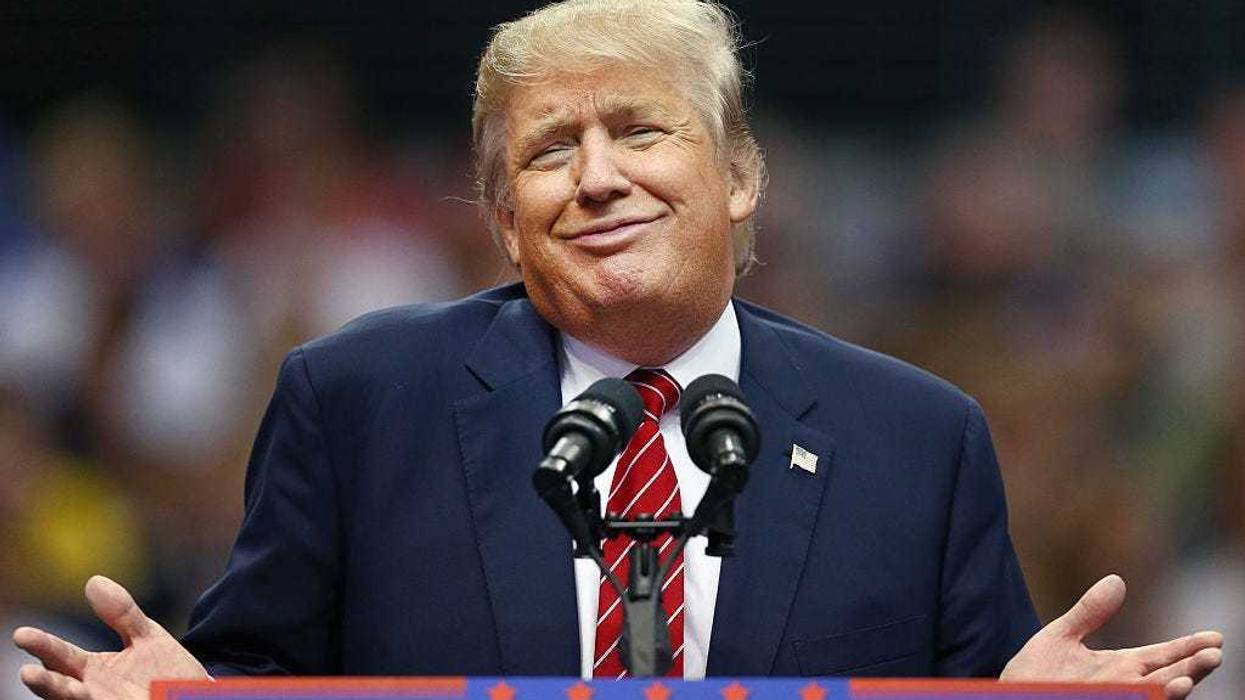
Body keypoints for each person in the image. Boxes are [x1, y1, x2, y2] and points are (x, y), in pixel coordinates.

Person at [13, 0, 1224, 697]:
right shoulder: (357, 402)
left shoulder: (917, 436)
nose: (597, 179)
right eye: (548, 151)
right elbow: (255, 682)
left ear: (742, 175)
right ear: (500, 217)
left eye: (640, 130)